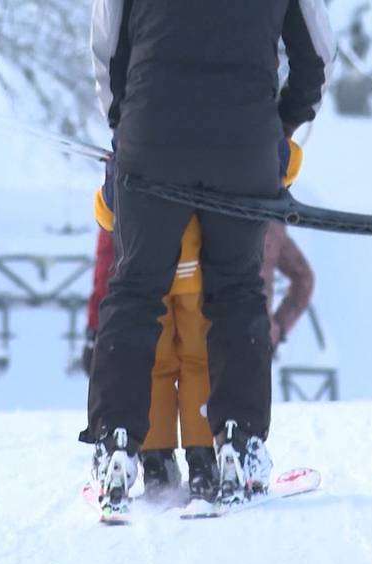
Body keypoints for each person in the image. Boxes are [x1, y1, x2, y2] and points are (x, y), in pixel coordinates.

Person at [84, 0, 334, 512]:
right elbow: (317, 55)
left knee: (133, 290)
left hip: (151, 130)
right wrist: (280, 124)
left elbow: (106, 45)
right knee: (238, 290)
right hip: (244, 139)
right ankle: (238, 447)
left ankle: (117, 447)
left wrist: (124, 120)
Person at [83, 140, 312, 503]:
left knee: (156, 366)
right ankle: (202, 456)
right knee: (199, 363)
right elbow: (283, 162)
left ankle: (155, 458)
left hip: (150, 275)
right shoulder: (219, 142)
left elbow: (107, 214)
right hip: (200, 278)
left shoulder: (142, 138)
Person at [263, 221, 315, 352]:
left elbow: (304, 279)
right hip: (255, 333)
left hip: (213, 324)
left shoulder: (214, 207)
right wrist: (278, 327)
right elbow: (304, 279)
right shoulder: (272, 224)